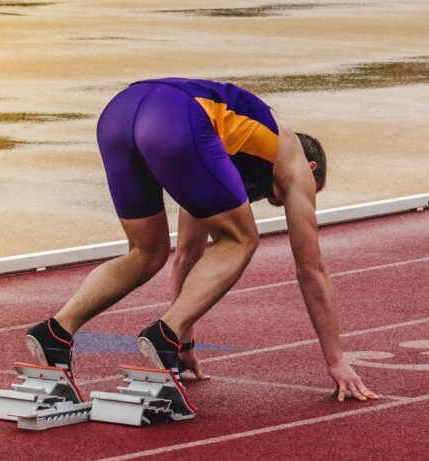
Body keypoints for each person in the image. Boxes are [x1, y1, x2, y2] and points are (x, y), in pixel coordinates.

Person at [23, 77, 379, 402]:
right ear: (311, 171)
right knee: (242, 238)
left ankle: (56, 332)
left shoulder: (217, 155)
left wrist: (185, 341)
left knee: (147, 252)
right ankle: (164, 336)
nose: (281, 203)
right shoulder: (294, 158)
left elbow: (187, 255)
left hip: (120, 114)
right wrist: (336, 360)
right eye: (299, 196)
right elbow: (311, 268)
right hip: (174, 117)